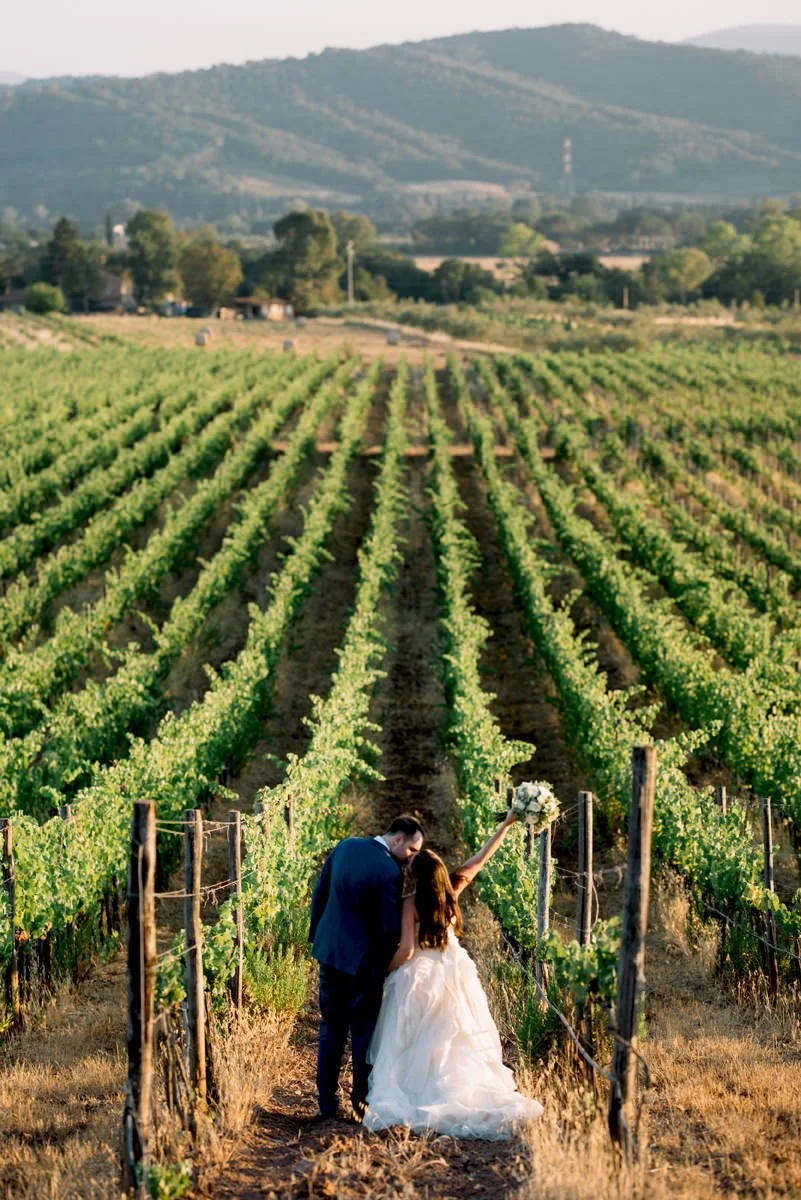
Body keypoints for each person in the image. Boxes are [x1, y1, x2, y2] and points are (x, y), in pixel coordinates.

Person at [363, 809, 543, 1139]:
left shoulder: (410, 903)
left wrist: (379, 972)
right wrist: (506, 825)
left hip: (419, 976)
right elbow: (480, 859)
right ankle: (458, 1091)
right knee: (453, 1038)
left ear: (415, 877)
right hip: (453, 972)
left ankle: (422, 1094)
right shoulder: (451, 894)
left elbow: (406, 951)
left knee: (412, 1041)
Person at [309, 814, 425, 1120]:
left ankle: (326, 1101)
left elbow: (320, 892)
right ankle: (361, 1102)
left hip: (331, 952)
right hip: (365, 964)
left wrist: (317, 937)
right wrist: (388, 965)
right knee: (363, 1033)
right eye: (412, 850)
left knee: (331, 1028)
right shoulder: (390, 871)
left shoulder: (345, 846)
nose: (411, 858)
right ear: (398, 839)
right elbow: (387, 928)